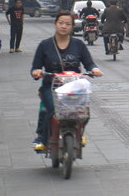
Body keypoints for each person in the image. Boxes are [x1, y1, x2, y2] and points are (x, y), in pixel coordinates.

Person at [30, 11, 103, 151]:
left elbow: (89, 63)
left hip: (73, 86)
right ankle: (43, 139)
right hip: (51, 87)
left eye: (67, 24)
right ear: (55, 24)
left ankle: (78, 133)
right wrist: (37, 71)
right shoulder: (45, 45)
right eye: (61, 23)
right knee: (52, 110)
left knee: (84, 112)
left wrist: (94, 69)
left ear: (72, 26)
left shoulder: (78, 44)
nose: (64, 26)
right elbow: (35, 67)